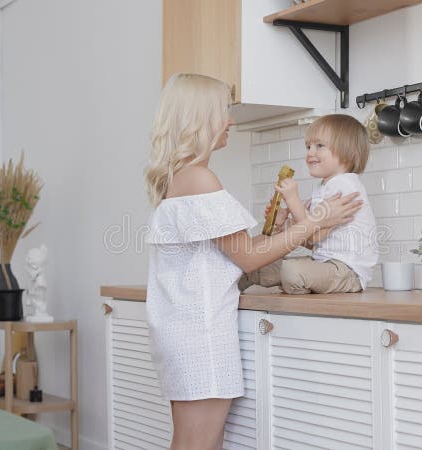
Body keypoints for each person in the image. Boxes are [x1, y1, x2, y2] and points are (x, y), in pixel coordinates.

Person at [143, 74, 363, 450]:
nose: (230, 120)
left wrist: (277, 228)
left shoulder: (179, 177)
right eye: (224, 111)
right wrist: (313, 223)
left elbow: (234, 248)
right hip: (201, 333)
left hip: (184, 329)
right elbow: (247, 259)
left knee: (192, 440)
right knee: (198, 444)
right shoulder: (199, 178)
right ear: (203, 118)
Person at [239, 114, 378, 295]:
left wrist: (292, 198)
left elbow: (314, 236)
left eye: (319, 146)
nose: (310, 153)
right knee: (256, 268)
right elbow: (309, 235)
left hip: (346, 271)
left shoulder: (344, 186)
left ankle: (300, 286)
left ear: (348, 153)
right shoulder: (325, 187)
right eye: (308, 146)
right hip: (324, 264)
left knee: (291, 269)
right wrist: (282, 225)